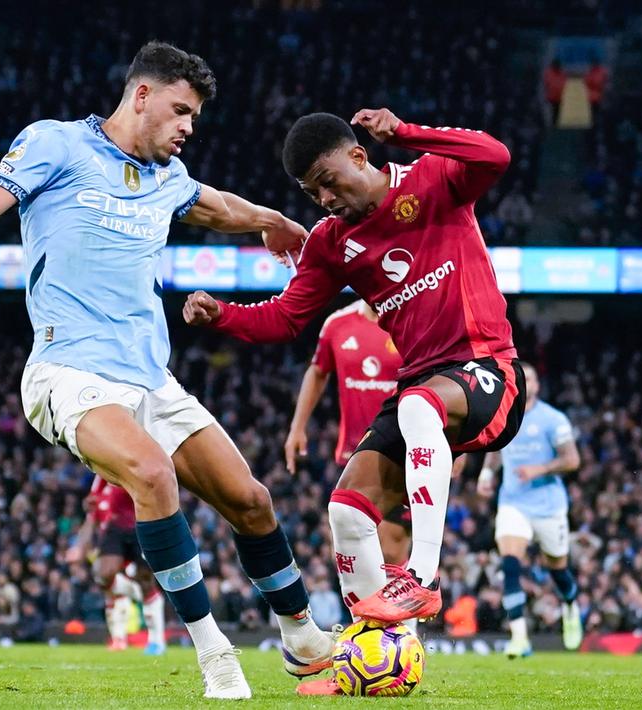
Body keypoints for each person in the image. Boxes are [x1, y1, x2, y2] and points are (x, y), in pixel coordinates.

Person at [0, 41, 329, 700]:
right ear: (141, 96)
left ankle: (302, 637)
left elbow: (215, 205)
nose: (188, 127)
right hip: (67, 371)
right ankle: (214, 654)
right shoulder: (56, 146)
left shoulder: (167, 177)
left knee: (251, 501)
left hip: (150, 377)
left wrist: (273, 221)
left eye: (195, 116)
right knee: (153, 474)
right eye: (180, 110)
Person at [185, 108, 524, 639]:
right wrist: (222, 315)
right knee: (346, 510)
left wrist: (409, 133)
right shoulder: (330, 242)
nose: (323, 198)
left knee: (418, 404)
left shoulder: (432, 178)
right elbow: (286, 317)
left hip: (487, 370)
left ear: (359, 155)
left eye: (328, 181)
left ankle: (422, 577)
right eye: (311, 191)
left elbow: (496, 155)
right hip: (421, 385)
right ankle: (375, 656)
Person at [284, 301, 411, 577]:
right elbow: (317, 372)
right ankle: (366, 618)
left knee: (390, 548)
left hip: (403, 454)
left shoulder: (412, 319)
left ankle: (397, 620)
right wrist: (297, 427)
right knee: (348, 549)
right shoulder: (337, 324)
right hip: (354, 454)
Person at [477, 362, 582, 658]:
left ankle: (571, 604)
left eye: (533, 377)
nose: (528, 382)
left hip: (549, 506)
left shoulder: (553, 419)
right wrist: (486, 474)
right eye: (525, 377)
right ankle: (519, 637)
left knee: (557, 569)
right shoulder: (504, 414)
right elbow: (496, 450)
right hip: (513, 502)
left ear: (538, 385)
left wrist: (541, 468)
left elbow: (572, 460)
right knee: (510, 563)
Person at [71, 476, 167, 655]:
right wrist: (78, 547)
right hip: (114, 529)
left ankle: (156, 641)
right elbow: (91, 515)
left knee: (145, 581)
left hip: (140, 525)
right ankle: (119, 635)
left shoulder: (128, 466)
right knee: (103, 573)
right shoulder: (100, 478)